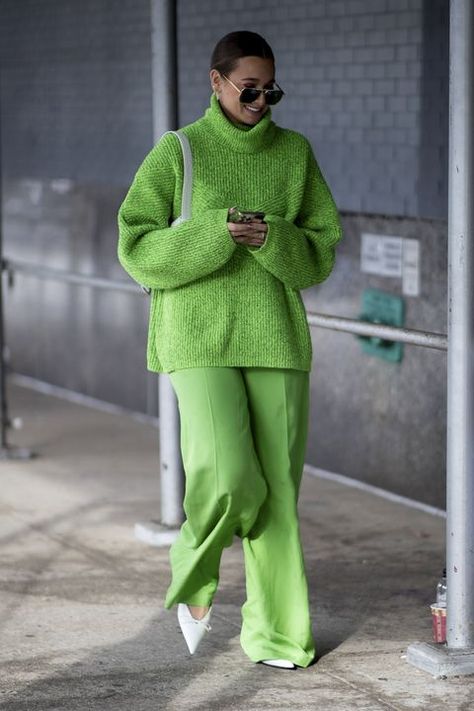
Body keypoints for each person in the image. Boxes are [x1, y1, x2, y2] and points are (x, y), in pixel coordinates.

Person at [117, 30, 342, 670]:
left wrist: (270, 237)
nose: (263, 99)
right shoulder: (178, 152)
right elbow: (135, 247)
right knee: (224, 472)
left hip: (275, 335)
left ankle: (278, 637)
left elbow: (320, 254)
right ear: (216, 82)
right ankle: (195, 578)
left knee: (277, 495)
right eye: (250, 87)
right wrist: (218, 235)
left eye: (272, 88)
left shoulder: (295, 154)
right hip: (196, 334)